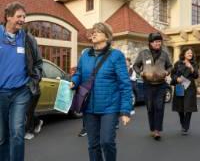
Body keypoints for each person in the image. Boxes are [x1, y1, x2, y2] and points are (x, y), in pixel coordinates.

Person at [70, 22, 132, 161]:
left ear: (107, 36)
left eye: (98, 31)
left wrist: (125, 111)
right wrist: (74, 81)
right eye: (93, 31)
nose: (94, 33)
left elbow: (125, 84)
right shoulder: (85, 54)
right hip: (89, 106)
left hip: (109, 107)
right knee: (93, 145)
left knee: (107, 141)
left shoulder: (116, 55)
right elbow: (79, 72)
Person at [0, 1, 43, 161]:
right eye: (19, 16)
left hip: (21, 92)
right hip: (1, 94)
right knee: (2, 136)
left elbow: (38, 63)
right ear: (8, 17)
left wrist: (33, 81)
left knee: (17, 132)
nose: (22, 20)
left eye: (24, 17)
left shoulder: (28, 39)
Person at [133, 32, 172, 140]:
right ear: (150, 43)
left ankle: (157, 131)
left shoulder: (164, 54)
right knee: (150, 107)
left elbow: (169, 66)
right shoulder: (143, 53)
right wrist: (140, 72)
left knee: (159, 107)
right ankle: (152, 128)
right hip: (147, 84)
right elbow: (136, 65)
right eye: (155, 41)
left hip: (161, 85)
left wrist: (167, 72)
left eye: (159, 41)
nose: (158, 43)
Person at [171, 46, 198, 135]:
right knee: (180, 107)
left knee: (189, 107)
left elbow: (196, 76)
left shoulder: (193, 63)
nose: (190, 54)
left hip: (190, 87)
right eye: (188, 53)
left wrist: (191, 67)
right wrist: (177, 78)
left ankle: (185, 127)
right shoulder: (178, 63)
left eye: (191, 53)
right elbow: (173, 74)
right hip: (180, 86)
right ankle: (183, 123)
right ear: (184, 54)